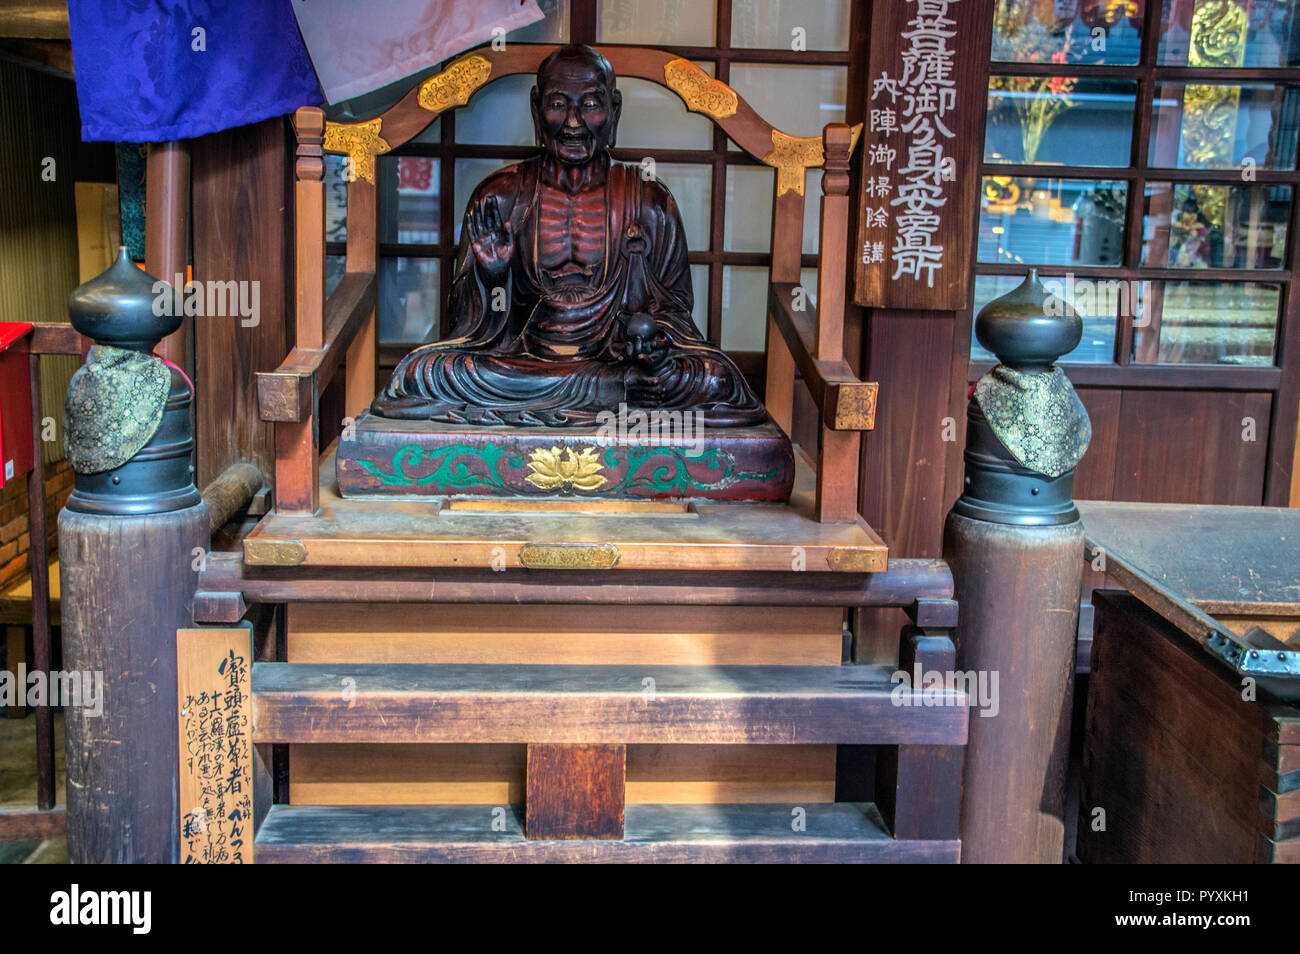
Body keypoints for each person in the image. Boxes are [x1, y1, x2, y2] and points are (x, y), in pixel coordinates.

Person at [372, 44, 766, 427]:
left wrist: (652, 344)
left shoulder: (649, 200)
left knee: (715, 378)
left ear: (615, 110)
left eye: (591, 104)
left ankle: (608, 389)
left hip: (616, 366)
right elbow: (468, 329)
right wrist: (492, 280)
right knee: (425, 373)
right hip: (526, 365)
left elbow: (675, 314)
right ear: (535, 108)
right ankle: (609, 394)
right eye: (558, 104)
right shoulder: (501, 197)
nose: (573, 122)